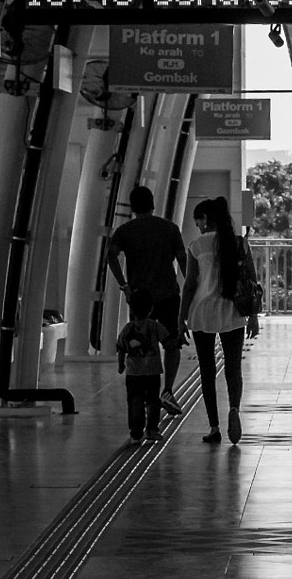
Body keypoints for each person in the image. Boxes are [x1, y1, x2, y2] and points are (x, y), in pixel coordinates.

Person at [105, 186, 185, 414]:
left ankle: (143, 393)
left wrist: (124, 285)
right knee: (171, 343)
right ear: (153, 204)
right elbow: (182, 258)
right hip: (168, 295)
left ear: (132, 207)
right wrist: (191, 288)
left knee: (141, 346)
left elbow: (111, 255)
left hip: (139, 299)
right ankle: (168, 389)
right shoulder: (169, 228)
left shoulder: (125, 230)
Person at [184, 196, 256, 445]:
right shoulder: (238, 243)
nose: (198, 226)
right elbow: (251, 283)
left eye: (199, 221)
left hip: (202, 311)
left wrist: (182, 317)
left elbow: (190, 285)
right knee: (233, 368)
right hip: (233, 312)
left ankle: (214, 427)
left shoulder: (196, 246)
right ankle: (234, 408)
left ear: (207, 220)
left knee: (207, 370)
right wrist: (253, 317)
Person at [115, 293, 170, 443]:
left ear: (131, 309)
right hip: (152, 372)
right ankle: (152, 429)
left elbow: (121, 348)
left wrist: (121, 365)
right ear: (151, 308)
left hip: (133, 373)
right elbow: (167, 341)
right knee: (153, 401)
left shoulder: (127, 328)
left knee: (134, 401)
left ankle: (136, 432)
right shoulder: (155, 326)